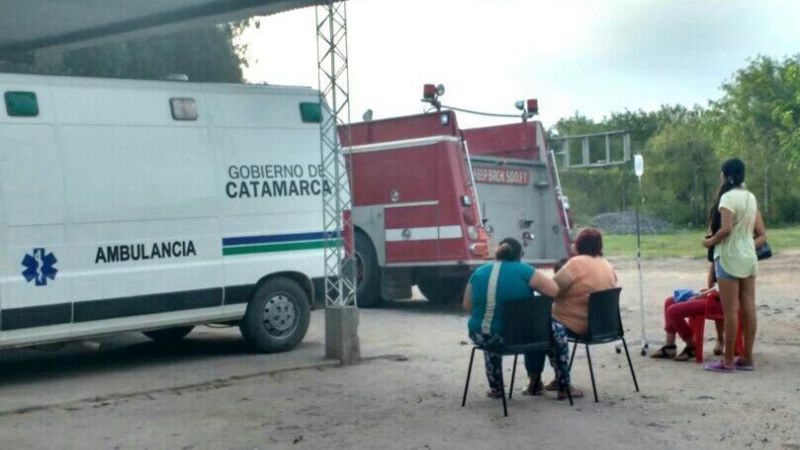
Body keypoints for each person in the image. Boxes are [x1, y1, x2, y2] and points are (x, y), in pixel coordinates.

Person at [462, 237, 561, 398]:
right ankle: (542, 383)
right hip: (516, 337)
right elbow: (553, 290)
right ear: (520, 255)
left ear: (498, 254)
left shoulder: (479, 272)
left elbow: (467, 306)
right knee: (540, 332)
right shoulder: (523, 270)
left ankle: (496, 388)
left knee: (491, 332)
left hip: (481, 336)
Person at [527, 228, 615, 396]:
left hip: (573, 322)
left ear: (579, 244)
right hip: (600, 325)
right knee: (548, 329)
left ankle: (537, 382)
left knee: (537, 329)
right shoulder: (606, 264)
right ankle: (557, 378)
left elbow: (551, 289)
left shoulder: (576, 263)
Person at [702, 158, 766, 373]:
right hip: (749, 256)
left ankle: (728, 361)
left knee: (731, 310)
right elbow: (755, 232)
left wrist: (709, 242)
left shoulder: (727, 198)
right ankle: (747, 358)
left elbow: (726, 229)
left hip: (729, 257)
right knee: (749, 307)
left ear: (725, 175)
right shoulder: (750, 197)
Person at [650, 263, 725, 360]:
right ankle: (670, 346)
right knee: (670, 302)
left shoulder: (732, 261)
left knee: (673, 311)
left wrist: (704, 294)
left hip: (722, 303)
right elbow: (714, 286)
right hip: (712, 297)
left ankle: (691, 346)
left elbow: (728, 291)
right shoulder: (718, 258)